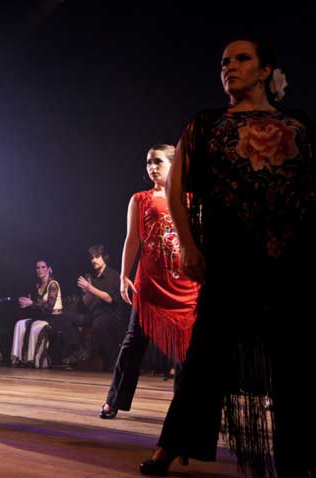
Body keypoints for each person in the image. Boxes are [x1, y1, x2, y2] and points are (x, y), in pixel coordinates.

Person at [140, 39, 316, 477]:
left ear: (265, 70)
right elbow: (177, 192)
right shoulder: (205, 124)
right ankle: (173, 443)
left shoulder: (299, 124)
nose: (229, 67)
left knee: (296, 360)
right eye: (223, 62)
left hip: (294, 258)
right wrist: (191, 246)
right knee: (206, 357)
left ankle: (301, 455)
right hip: (230, 258)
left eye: (241, 59)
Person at [99, 145, 199, 420]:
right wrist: (123, 275)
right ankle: (114, 401)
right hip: (150, 284)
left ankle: (184, 410)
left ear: (173, 164)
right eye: (148, 163)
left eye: (158, 162)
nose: (151, 167)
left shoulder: (190, 199)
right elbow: (132, 239)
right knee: (133, 343)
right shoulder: (140, 199)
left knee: (185, 349)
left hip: (184, 286)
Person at [77, 245, 124, 371]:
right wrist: (86, 291)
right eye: (92, 258)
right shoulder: (92, 276)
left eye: (97, 257)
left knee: (99, 325)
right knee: (67, 317)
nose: (93, 260)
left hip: (110, 314)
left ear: (105, 258)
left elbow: (109, 298)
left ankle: (113, 360)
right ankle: (79, 351)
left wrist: (89, 288)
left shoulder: (113, 275)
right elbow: (87, 303)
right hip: (94, 313)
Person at [10, 260, 63, 367]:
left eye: (43, 267)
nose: (40, 270)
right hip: (42, 317)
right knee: (20, 324)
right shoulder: (38, 285)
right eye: (38, 268)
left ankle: (35, 360)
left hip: (54, 318)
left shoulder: (53, 284)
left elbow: (49, 307)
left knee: (35, 327)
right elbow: (36, 305)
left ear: (49, 269)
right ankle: (17, 358)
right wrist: (27, 303)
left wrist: (32, 303)